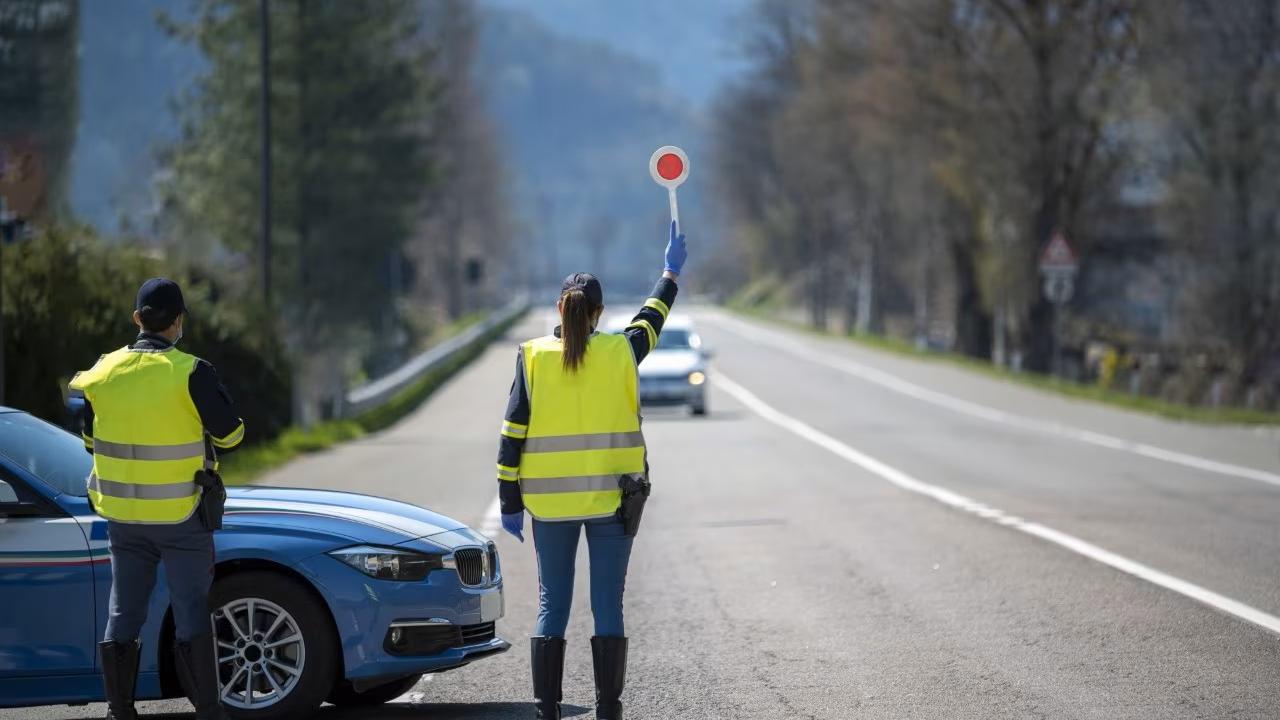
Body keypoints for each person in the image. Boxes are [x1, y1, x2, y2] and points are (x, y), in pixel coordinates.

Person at [496, 221, 688, 720]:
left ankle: (547, 711)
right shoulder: (621, 351)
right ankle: (608, 712)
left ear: (560, 309)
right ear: (599, 312)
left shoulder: (533, 356)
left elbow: (512, 430)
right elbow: (652, 318)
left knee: (550, 608)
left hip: (549, 506)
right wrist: (669, 273)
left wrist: (509, 500)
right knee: (608, 606)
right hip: (611, 502)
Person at [68, 278, 245, 720]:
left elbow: (90, 441)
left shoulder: (103, 372)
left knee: (124, 611)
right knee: (189, 612)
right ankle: (208, 710)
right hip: (181, 513)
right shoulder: (191, 371)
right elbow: (233, 435)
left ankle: (120, 711)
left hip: (123, 515)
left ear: (137, 319)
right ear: (179, 320)